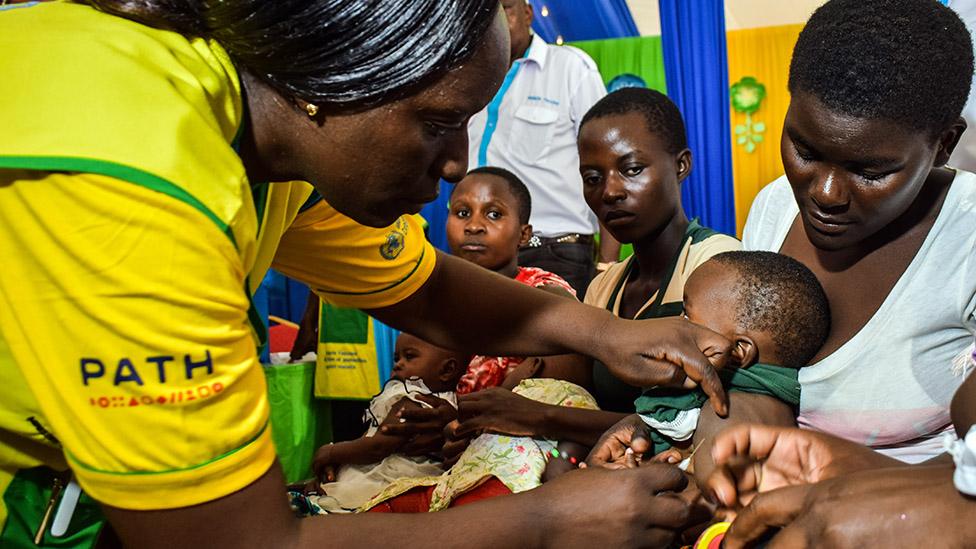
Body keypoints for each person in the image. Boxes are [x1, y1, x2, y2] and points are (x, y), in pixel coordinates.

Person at [0, 1, 734, 547]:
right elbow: (241, 541)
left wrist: (607, 334)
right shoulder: (135, 187)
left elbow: (426, 287)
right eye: (439, 121)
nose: (454, 165)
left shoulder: (268, 135)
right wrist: (549, 520)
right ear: (340, 76)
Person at [398, 87, 742, 468]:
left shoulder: (717, 264)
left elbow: (715, 420)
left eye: (631, 170)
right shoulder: (605, 287)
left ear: (681, 165)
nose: (610, 191)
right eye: (592, 177)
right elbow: (581, 402)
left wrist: (535, 416)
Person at [741, 0, 976, 463]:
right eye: (805, 151)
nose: (826, 193)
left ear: (944, 144)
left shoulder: (967, 234)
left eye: (870, 171)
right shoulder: (772, 207)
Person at [466, 0, 616, 297]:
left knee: (553, 344)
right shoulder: (470, 76)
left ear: (527, 13)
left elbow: (607, 164)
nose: (494, 20)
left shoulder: (570, 68)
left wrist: (608, 265)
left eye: (505, 8)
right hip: (478, 253)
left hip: (554, 254)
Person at [632, 251, 830, 462]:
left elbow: (719, 489)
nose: (676, 324)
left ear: (737, 351)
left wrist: (644, 479)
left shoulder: (728, 412)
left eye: (687, 315)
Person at [446, 166, 587, 394]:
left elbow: (563, 382)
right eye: (462, 213)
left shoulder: (543, 291)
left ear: (524, 235)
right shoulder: (436, 295)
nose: (473, 226)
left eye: (494, 214)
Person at [299, 332, 467, 513]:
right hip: (402, 472)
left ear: (447, 370)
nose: (398, 364)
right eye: (396, 358)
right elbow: (370, 437)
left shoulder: (413, 400)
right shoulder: (450, 403)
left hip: (394, 477)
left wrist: (331, 452)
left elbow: (376, 447)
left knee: (332, 500)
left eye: (409, 357)